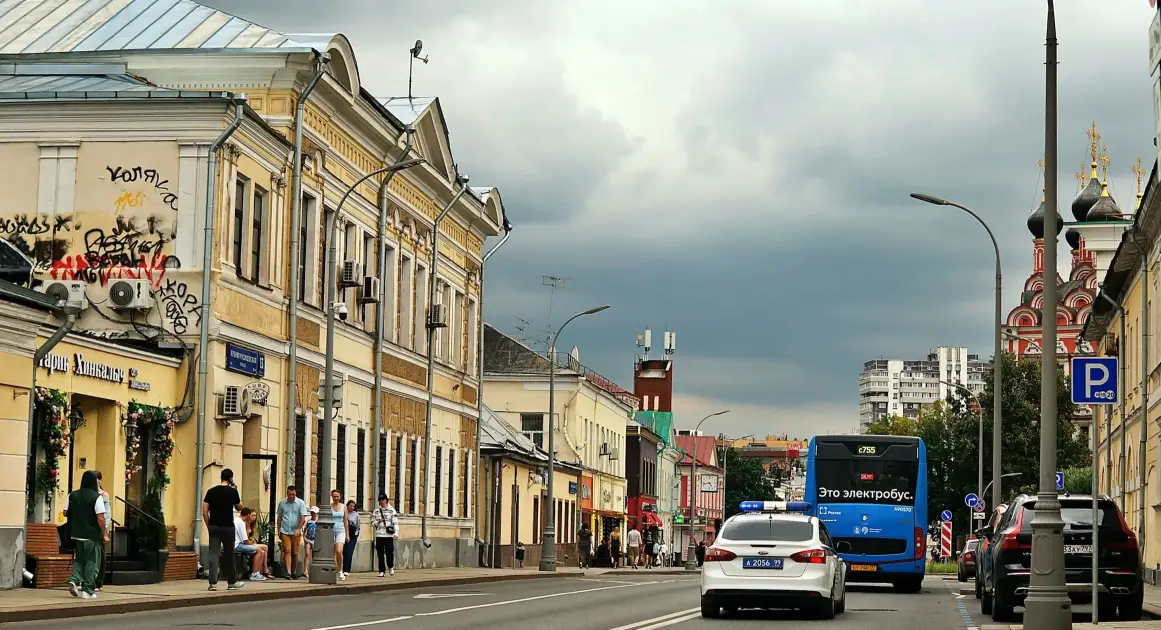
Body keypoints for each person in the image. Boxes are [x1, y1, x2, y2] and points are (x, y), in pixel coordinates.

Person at [64, 470, 106, 600]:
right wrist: (104, 532)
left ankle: (74, 579)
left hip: (76, 534)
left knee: (79, 559)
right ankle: (88, 590)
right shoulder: (96, 497)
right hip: (91, 535)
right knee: (92, 562)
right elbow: (100, 518)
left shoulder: (72, 495)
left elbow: (65, 512)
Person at [202, 468, 243, 591]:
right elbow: (240, 507)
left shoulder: (211, 492)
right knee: (229, 555)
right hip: (228, 528)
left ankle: (213, 583)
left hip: (214, 527)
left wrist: (209, 525)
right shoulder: (232, 492)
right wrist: (236, 490)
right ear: (231, 478)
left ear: (221, 477)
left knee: (213, 555)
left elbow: (204, 511)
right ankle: (231, 582)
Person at [275, 485, 308, 579]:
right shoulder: (282, 503)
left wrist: (298, 528)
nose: (292, 496)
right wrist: (278, 530)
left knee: (295, 553)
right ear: (287, 494)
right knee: (287, 550)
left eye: (293, 494)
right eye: (290, 494)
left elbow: (303, 517)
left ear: (295, 494)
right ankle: (288, 572)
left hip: (295, 532)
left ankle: (293, 571)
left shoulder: (300, 503)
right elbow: (279, 517)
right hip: (285, 530)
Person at [234, 507, 267, 580]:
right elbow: (245, 540)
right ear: (248, 515)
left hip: (235, 543)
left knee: (260, 549)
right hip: (237, 545)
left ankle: (257, 572)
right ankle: (255, 574)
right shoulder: (241, 523)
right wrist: (253, 545)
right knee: (259, 550)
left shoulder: (236, 519)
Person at [371, 494, 399, 577]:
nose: (381, 502)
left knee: (389, 553)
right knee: (380, 554)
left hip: (388, 535)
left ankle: (390, 566)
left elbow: (395, 522)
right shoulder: (376, 511)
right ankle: (381, 571)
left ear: (386, 500)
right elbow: (372, 523)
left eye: (383, 500)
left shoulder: (391, 510)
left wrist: (396, 533)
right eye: (380, 500)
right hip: (379, 535)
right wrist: (378, 522)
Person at [93, 471, 111, 592]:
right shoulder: (89, 493)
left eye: (97, 479)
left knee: (101, 555)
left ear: (100, 480)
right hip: (89, 528)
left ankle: (99, 581)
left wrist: (104, 529)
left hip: (100, 528)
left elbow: (107, 513)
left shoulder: (104, 495)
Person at [244, 508, 273, 578]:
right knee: (264, 547)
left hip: (250, 542)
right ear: (248, 515)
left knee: (263, 550)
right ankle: (265, 569)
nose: (254, 517)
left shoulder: (253, 525)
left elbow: (253, 537)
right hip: (245, 543)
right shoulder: (245, 524)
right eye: (252, 515)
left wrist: (252, 541)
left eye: (255, 516)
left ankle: (258, 571)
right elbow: (245, 537)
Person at [329, 490, 347, 580]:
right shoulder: (329, 507)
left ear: (340, 497)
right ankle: (334, 569)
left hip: (341, 530)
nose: (336, 498)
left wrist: (347, 534)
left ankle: (340, 570)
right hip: (331, 531)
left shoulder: (343, 507)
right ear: (332, 497)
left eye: (337, 496)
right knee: (332, 552)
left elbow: (345, 521)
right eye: (334, 496)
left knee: (339, 551)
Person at [342, 499, 360, 575]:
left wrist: (355, 535)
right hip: (344, 533)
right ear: (347, 506)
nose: (352, 507)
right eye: (351, 506)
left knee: (349, 552)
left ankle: (347, 569)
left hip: (353, 535)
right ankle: (342, 568)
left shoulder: (356, 515)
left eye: (353, 506)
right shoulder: (344, 513)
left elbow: (358, 526)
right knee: (344, 552)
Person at [304, 506, 319, 577]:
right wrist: (304, 537)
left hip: (316, 540)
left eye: (314, 513)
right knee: (307, 554)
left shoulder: (318, 521)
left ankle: (313, 570)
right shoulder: (308, 521)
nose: (313, 514)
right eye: (312, 513)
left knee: (314, 556)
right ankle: (306, 570)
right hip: (308, 539)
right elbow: (305, 529)